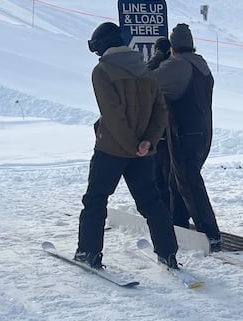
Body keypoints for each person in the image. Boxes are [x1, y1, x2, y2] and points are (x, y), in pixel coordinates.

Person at [75, 21, 181, 270]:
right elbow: (160, 112)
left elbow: (112, 115)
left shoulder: (101, 71)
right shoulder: (146, 71)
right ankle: (168, 254)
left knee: (95, 200)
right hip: (142, 152)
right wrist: (148, 142)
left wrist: (132, 144)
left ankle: (88, 252)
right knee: (152, 203)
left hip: (111, 149)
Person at [147, 23, 222, 251]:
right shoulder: (200, 65)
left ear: (173, 46)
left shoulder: (176, 66)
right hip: (202, 132)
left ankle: (209, 233)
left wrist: (158, 57)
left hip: (183, 133)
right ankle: (177, 223)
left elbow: (146, 81)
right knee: (176, 180)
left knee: (188, 182)